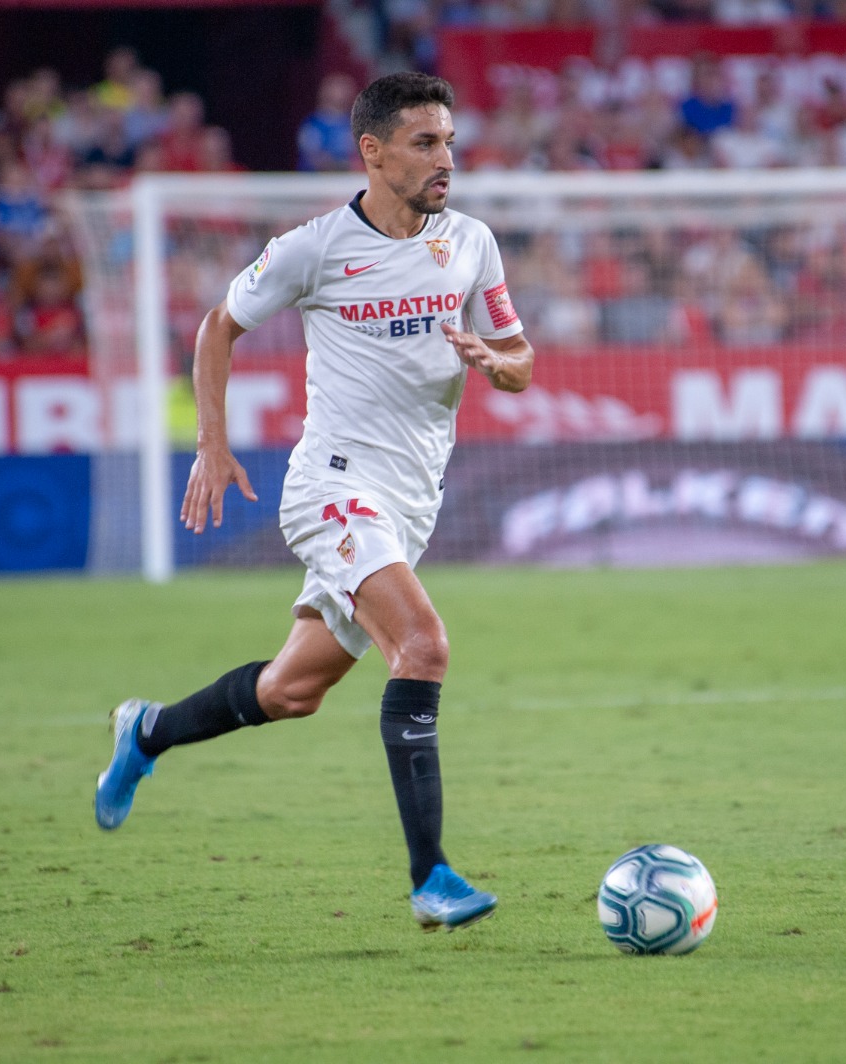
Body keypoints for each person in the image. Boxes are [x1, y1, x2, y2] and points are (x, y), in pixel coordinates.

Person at [94, 72, 534, 932]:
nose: (446, 159)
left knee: (292, 691)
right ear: (372, 152)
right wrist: (211, 445)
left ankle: (144, 732)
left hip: (410, 503)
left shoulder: (472, 243)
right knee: (425, 644)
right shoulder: (315, 248)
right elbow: (218, 325)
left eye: (448, 141)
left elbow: (521, 362)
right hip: (332, 484)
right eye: (424, 143)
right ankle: (430, 877)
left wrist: (491, 360)